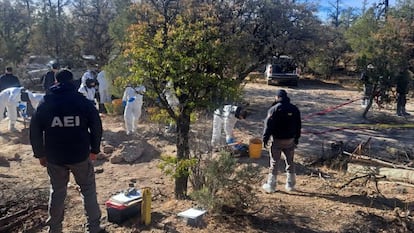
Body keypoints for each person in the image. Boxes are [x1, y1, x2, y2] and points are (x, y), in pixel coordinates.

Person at [29, 69, 105, 233]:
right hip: (80, 155)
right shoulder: (82, 101)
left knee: (57, 192)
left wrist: (40, 154)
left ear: (55, 82)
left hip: (55, 157)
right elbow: (97, 126)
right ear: (72, 82)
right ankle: (94, 228)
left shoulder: (46, 102)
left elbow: (34, 130)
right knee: (88, 190)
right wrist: (95, 149)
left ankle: (55, 229)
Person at [262, 89, 301, 193]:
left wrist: (265, 139)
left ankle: (271, 185)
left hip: (277, 140)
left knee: (274, 162)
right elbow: (298, 125)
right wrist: (296, 139)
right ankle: (290, 185)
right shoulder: (294, 109)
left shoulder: (273, 109)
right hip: (290, 140)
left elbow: (268, 126)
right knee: (290, 161)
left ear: (277, 97)